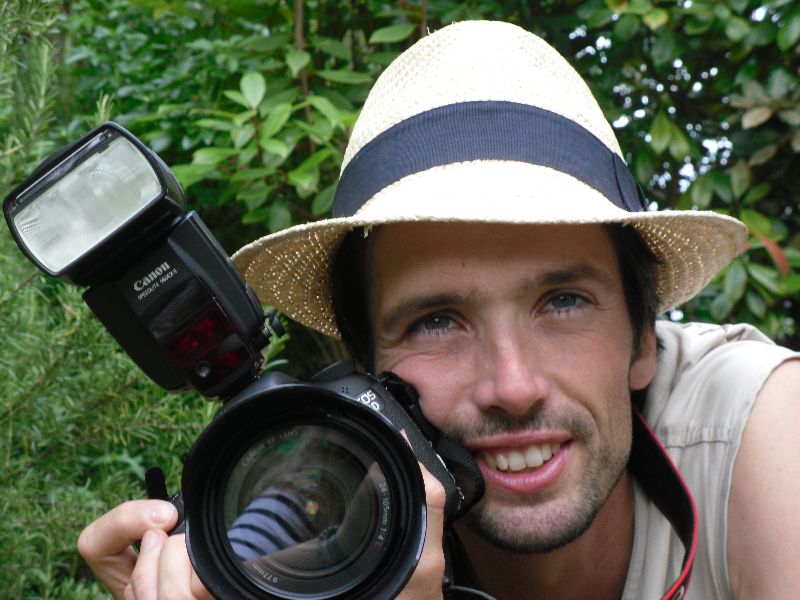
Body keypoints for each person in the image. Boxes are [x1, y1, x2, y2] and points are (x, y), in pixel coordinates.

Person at [77, 20, 800, 599]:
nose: (513, 387)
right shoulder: (337, 555)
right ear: (364, 372)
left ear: (644, 338)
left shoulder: (756, 426)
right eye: (435, 322)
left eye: (564, 302)